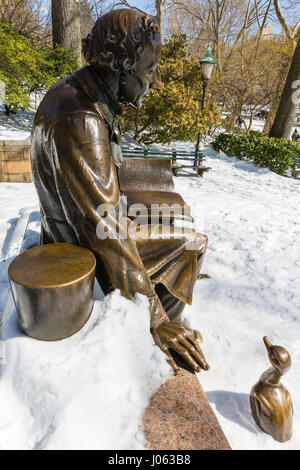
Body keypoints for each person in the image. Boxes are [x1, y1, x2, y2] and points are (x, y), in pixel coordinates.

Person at [30, 9, 209, 375]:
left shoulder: (83, 95)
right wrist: (155, 318)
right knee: (192, 243)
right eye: (149, 71)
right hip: (80, 253)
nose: (155, 82)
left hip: (75, 235)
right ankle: (157, 347)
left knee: (177, 225)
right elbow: (106, 231)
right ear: (120, 67)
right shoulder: (82, 119)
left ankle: (164, 318)